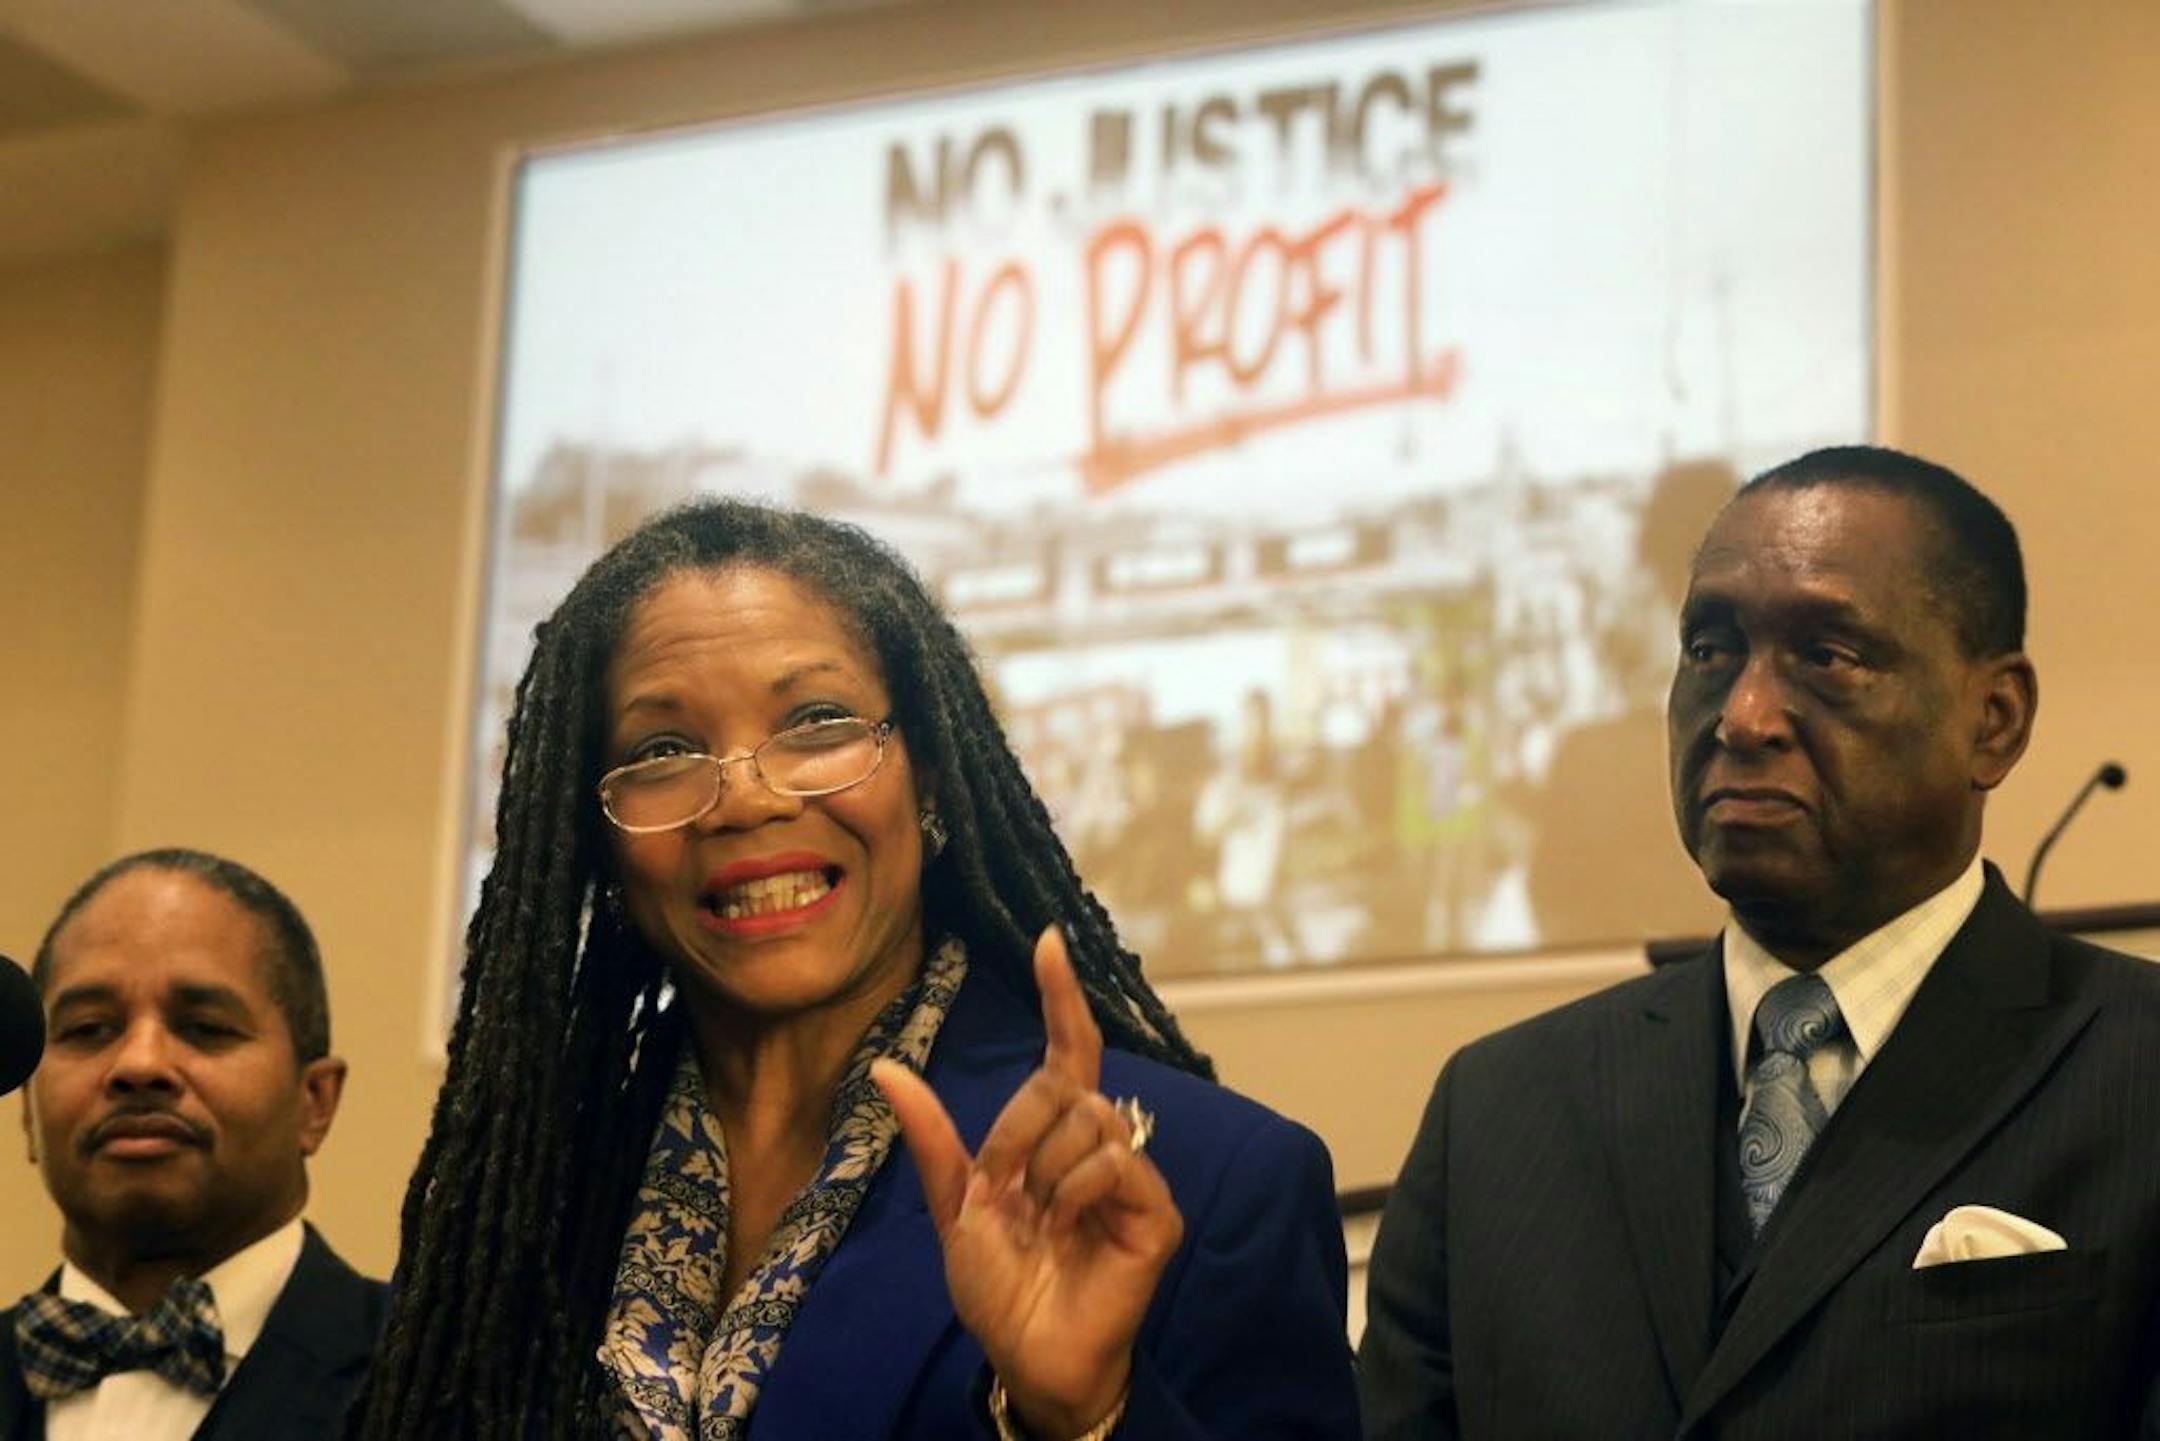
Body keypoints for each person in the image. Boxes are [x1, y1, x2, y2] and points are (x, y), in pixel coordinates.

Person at [350, 500, 1358, 1439]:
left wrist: (1086, 1416)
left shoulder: (1215, 1183)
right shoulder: (507, 1219)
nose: (744, 797)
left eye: (817, 723)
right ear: (604, 852)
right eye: (664, 746)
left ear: (930, 777)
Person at [1358, 446, 2160, 1438]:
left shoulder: (2136, 1069)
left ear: (1992, 720)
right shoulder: (1498, 1112)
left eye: (1827, 655)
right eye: (1710, 650)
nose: (1741, 714)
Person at [2, 849, 388, 1441]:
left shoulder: (448, 1373)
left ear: (315, 1101)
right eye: (88, 1030)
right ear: (27, 1111)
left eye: (204, 1028)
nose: (138, 1064)